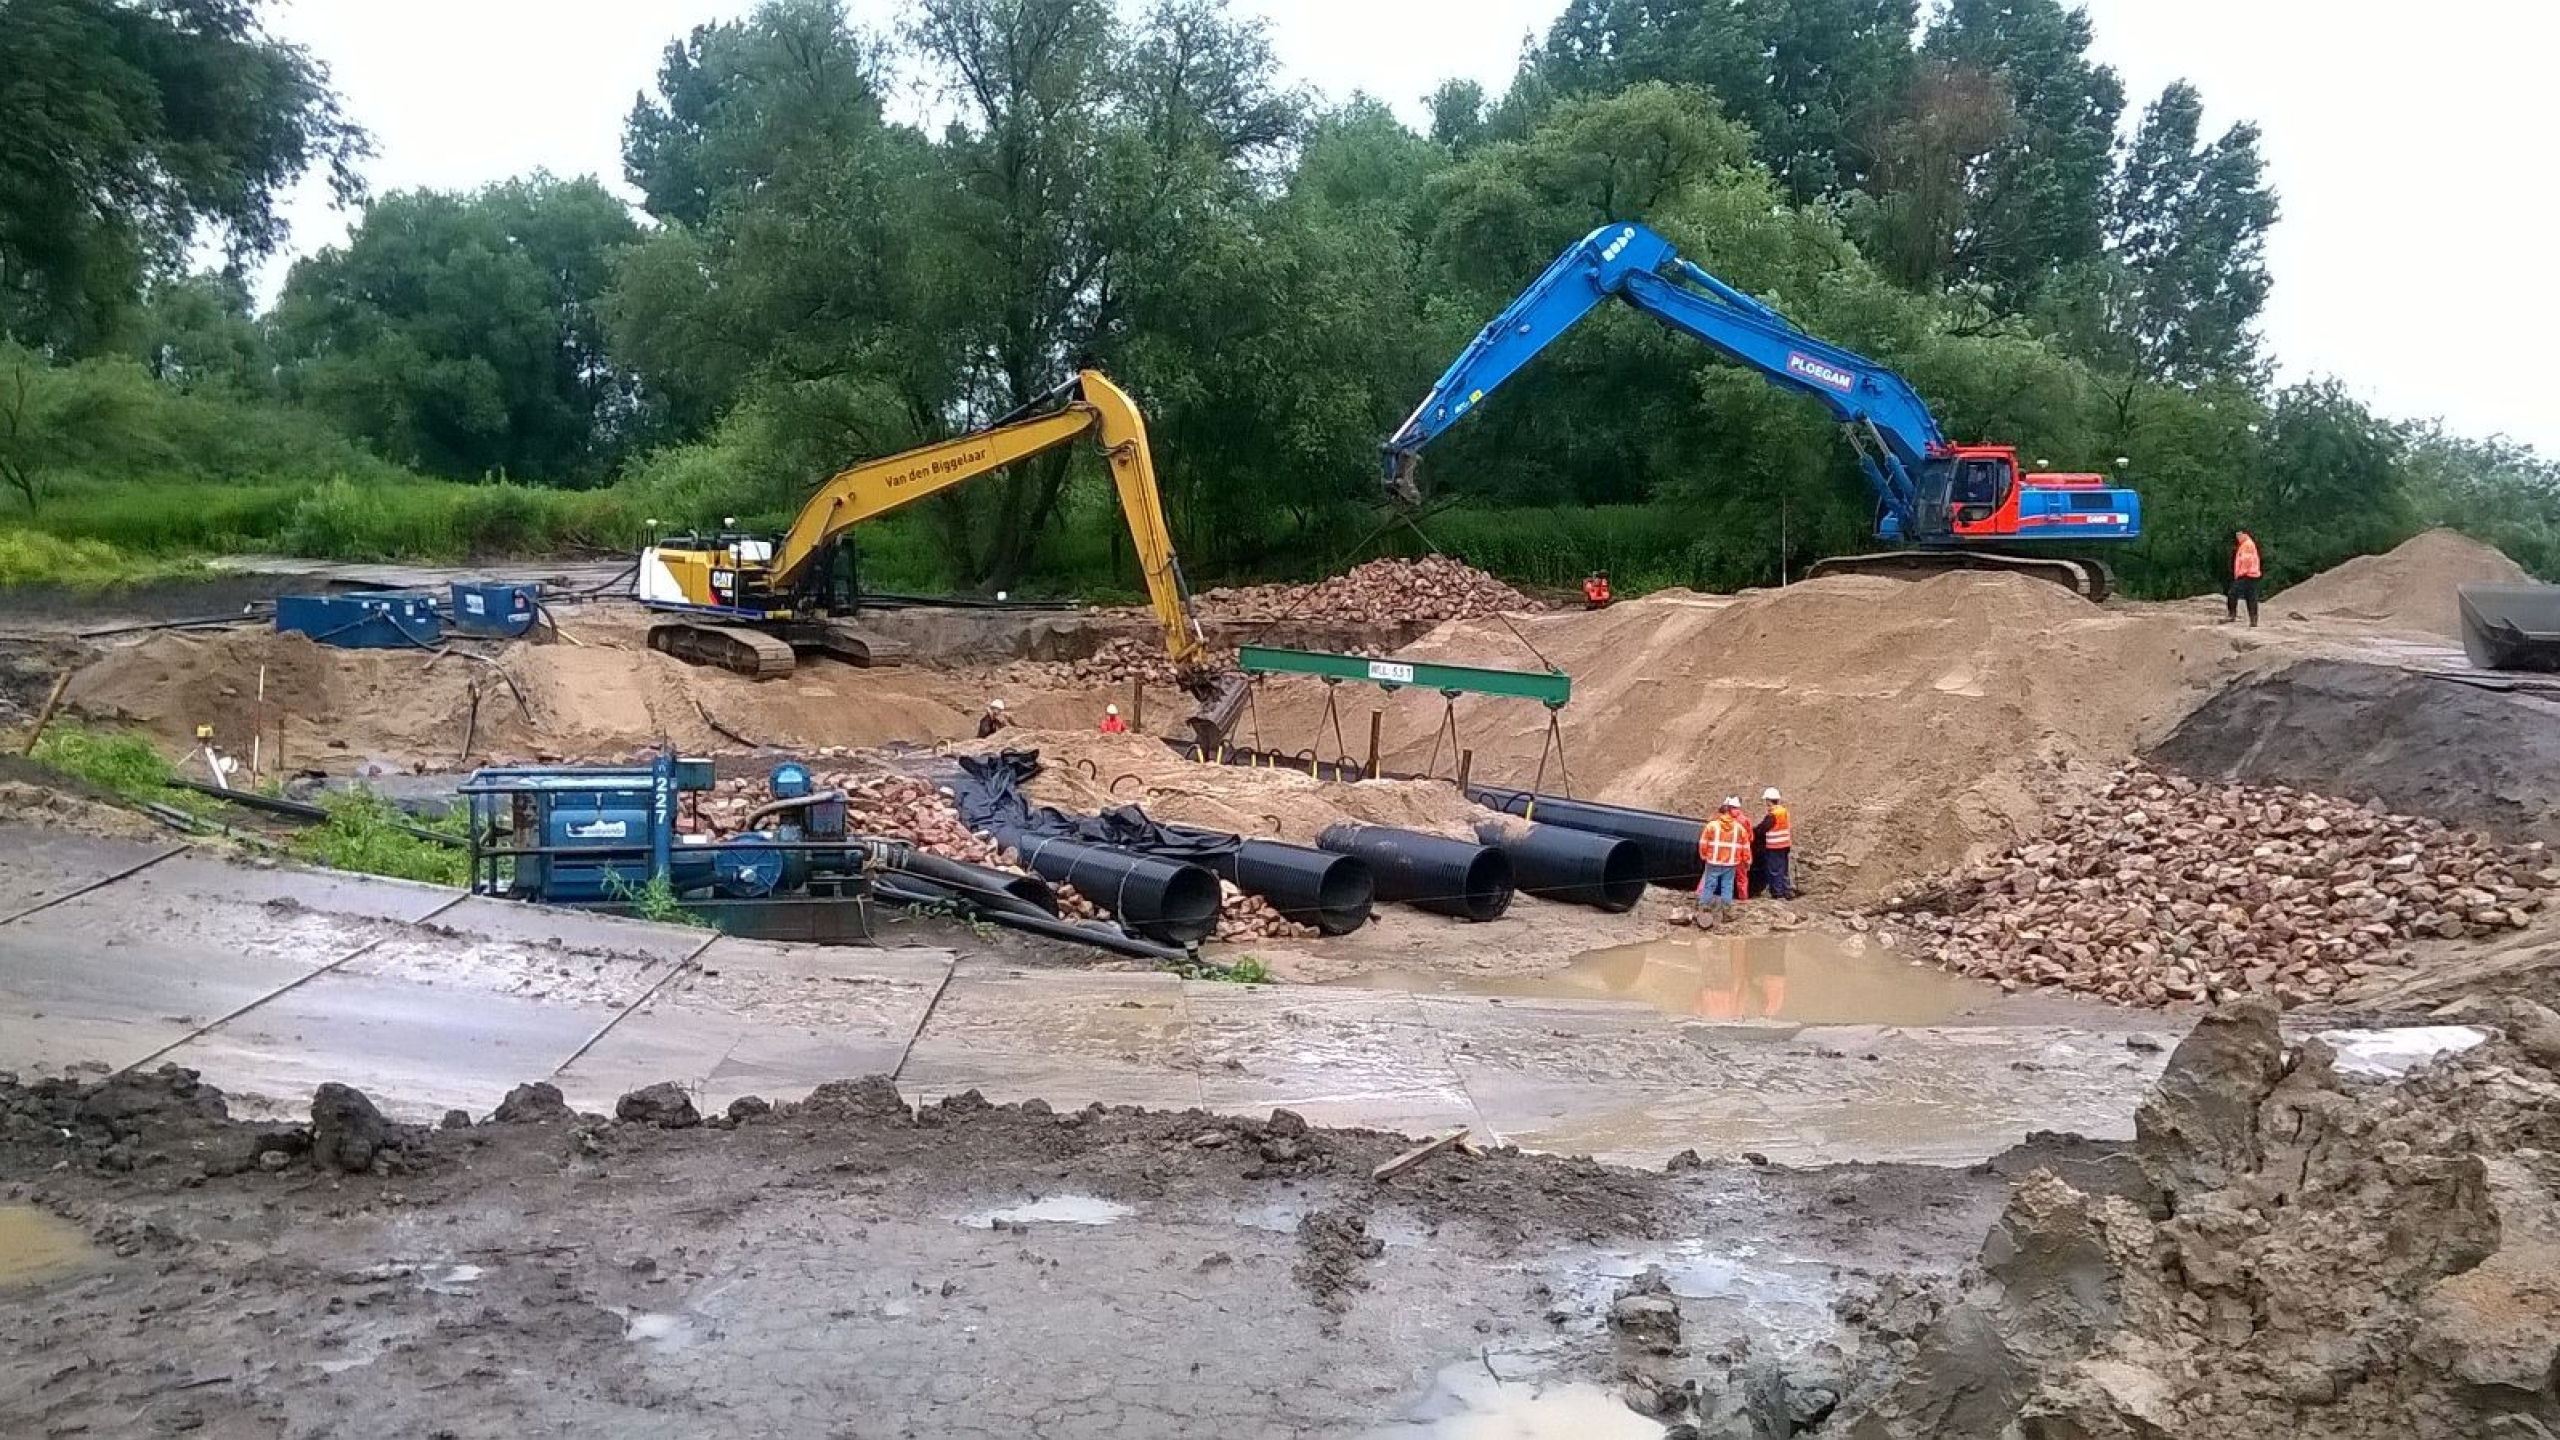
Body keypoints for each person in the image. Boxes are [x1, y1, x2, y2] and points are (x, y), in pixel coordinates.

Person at [1695, 798, 1751, 916]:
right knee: (1727, 886)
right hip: (1730, 863)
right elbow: (1745, 846)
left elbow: (1703, 842)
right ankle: (1727, 911)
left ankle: (1703, 908)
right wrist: (1747, 860)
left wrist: (1703, 855)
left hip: (1713, 861)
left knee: (1709, 885)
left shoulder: (1712, 826)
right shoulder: (1739, 828)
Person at [1753, 787, 1795, 900]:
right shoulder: (1784, 811)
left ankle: (1778, 893)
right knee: (1783, 869)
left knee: (1775, 870)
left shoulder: (1773, 815)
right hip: (1785, 845)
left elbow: (1762, 829)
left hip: (1775, 846)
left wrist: (1753, 831)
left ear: (1769, 801)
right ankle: (1787, 891)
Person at [2226, 529, 2262, 627]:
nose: (2238, 537)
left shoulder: (2246, 545)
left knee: (2233, 593)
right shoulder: (2246, 544)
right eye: (2237, 535)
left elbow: (2246, 560)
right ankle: (2253, 620)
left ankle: (2232, 615)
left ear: (2244, 534)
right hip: (2252, 574)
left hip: (2246, 574)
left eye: (2239, 534)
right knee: (2251, 597)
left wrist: (2240, 573)